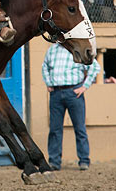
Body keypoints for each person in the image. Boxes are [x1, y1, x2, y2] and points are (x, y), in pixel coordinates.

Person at [42, 42, 100, 171]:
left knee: (80, 128)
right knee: (55, 129)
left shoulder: (77, 49)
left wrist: (84, 87)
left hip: (74, 93)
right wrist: (48, 82)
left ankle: (84, 160)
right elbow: (44, 66)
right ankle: (54, 162)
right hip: (56, 93)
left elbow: (95, 66)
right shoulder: (52, 50)